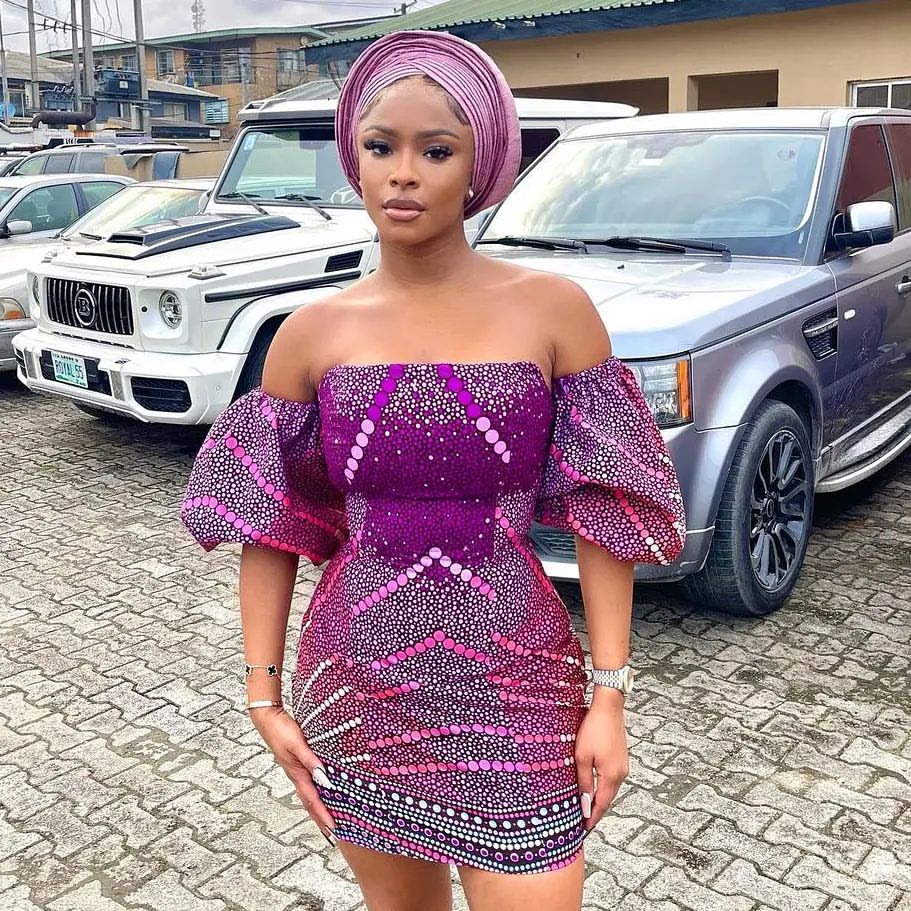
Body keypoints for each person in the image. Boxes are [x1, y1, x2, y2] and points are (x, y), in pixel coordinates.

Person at [181, 29, 685, 911]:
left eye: (436, 150)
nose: (402, 174)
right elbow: (269, 523)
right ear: (354, 160)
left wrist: (609, 695)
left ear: (480, 163)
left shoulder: (554, 311)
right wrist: (263, 697)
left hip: (517, 680)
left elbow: (604, 508)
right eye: (381, 147)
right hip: (359, 685)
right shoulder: (308, 333)